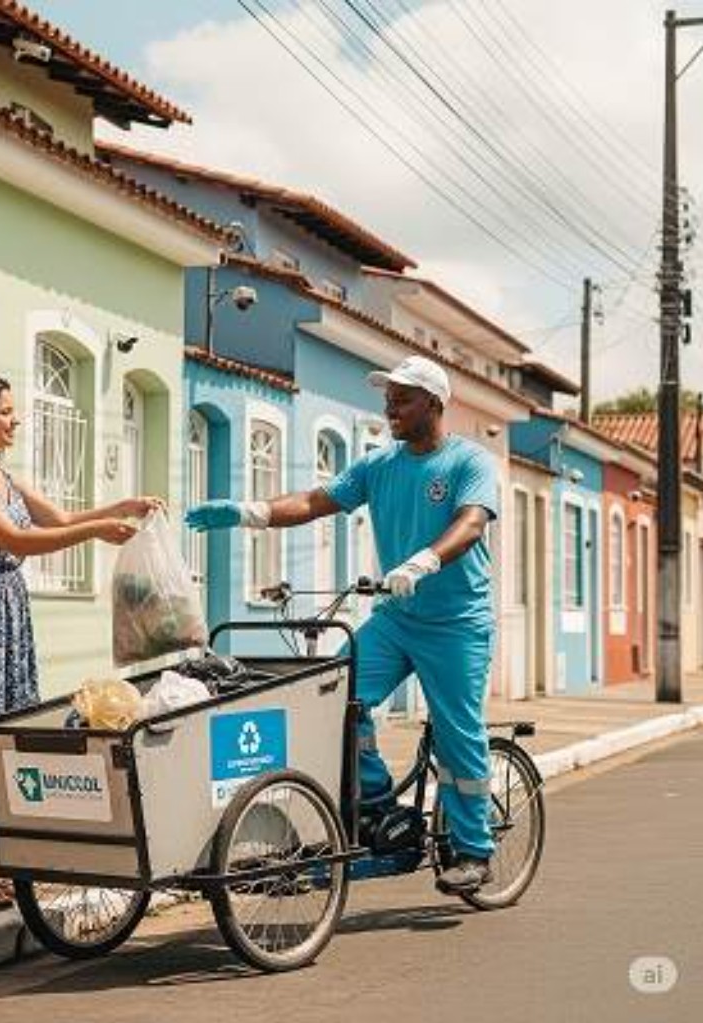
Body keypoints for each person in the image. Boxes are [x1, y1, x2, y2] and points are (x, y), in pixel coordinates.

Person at [185, 355, 498, 895]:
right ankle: (376, 803)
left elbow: (471, 522)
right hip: (396, 620)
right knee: (335, 700)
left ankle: (474, 850)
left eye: (403, 399)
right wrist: (248, 512)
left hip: (456, 623)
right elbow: (313, 501)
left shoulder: (469, 461)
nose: (391, 408)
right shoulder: (379, 465)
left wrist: (424, 562)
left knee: (457, 733)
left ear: (434, 404)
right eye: (388, 398)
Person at [0, 372, 162, 906]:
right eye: (6, 412)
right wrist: (95, 533)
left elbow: (60, 518)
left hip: (7, 611)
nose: (16, 421)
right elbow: (17, 538)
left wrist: (122, 506)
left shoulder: (3, 478)